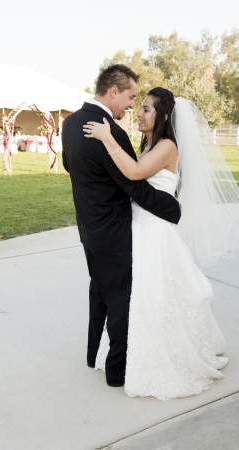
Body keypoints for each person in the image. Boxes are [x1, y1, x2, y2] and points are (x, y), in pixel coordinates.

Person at [83, 87, 239, 400]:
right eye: (140, 108)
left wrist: (107, 137)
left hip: (155, 233)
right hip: (138, 229)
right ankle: (128, 355)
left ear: (163, 116)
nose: (139, 113)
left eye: (146, 109)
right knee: (134, 297)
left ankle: (156, 357)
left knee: (151, 297)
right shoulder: (150, 143)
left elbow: (135, 172)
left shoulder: (166, 146)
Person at [62, 66, 181, 388]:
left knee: (100, 294)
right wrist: (171, 208)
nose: (132, 107)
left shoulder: (70, 123)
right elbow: (133, 184)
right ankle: (117, 371)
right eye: (131, 98)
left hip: (90, 229)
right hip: (115, 233)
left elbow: (69, 166)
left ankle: (93, 355)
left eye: (141, 105)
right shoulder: (109, 131)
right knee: (120, 302)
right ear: (113, 91)